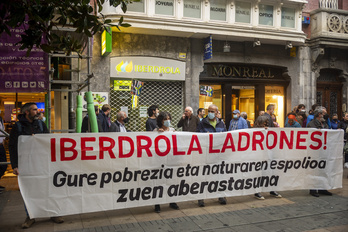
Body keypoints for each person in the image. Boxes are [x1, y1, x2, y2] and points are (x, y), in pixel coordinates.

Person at [9, 102, 64, 228]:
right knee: (29, 190)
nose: (37, 111)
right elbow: (12, 147)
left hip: (42, 162)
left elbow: (48, 141)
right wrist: (15, 165)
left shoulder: (40, 124)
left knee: (48, 187)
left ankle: (53, 213)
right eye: (34, 110)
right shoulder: (17, 127)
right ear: (27, 112)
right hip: (26, 164)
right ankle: (31, 216)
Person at [196, 104, 227, 206]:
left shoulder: (221, 123)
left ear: (217, 112)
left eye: (212, 111)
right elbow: (198, 137)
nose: (210, 113)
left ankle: (221, 195)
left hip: (218, 154)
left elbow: (225, 137)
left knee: (219, 176)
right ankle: (201, 198)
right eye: (209, 111)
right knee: (204, 176)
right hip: (206, 154)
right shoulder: (202, 123)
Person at [153, 112, 179, 213]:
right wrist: (157, 134)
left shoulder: (172, 130)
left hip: (171, 160)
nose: (167, 121)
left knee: (171, 181)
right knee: (159, 182)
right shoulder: (156, 131)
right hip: (160, 161)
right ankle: (157, 204)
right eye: (165, 119)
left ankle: (172, 201)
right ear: (161, 121)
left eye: (169, 118)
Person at [253, 115, 282, 200]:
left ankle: (272, 190)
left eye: (267, 123)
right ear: (259, 123)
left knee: (271, 172)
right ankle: (257, 191)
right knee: (259, 174)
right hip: (259, 156)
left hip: (269, 155)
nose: (266, 125)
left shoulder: (269, 131)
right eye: (264, 124)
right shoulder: (253, 132)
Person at [307, 106, 332, 197]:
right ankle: (313, 189)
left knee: (323, 170)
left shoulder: (325, 124)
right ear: (319, 114)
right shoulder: (311, 124)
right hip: (314, 151)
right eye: (324, 113)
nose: (325, 115)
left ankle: (322, 188)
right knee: (314, 170)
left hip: (323, 150)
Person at [0, 112, 6, 193]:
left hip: (0, 145)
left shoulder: (0, 118)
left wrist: (3, 141)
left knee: (3, 165)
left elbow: (3, 130)